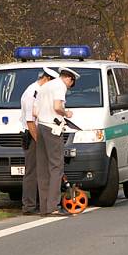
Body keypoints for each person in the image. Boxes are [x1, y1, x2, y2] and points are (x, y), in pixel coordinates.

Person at [35, 67, 80, 216]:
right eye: (71, 84)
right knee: (56, 167)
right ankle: (53, 207)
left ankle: (44, 207)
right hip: (52, 129)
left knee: (42, 168)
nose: (69, 87)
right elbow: (57, 107)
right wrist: (66, 113)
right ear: (70, 79)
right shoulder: (60, 86)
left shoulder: (45, 86)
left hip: (40, 127)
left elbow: (35, 111)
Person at [19, 67, 58, 215]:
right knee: (32, 171)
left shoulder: (41, 92)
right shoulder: (32, 93)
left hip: (41, 133)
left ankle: (43, 203)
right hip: (32, 134)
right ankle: (28, 206)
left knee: (43, 171)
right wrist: (39, 141)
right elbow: (30, 122)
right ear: (46, 79)